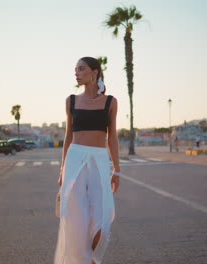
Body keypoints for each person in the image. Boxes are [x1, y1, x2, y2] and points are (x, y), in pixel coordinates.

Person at [54, 57, 120, 264]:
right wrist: (62, 169)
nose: (77, 73)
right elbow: (68, 136)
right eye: (75, 69)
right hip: (75, 160)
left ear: (95, 72)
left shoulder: (110, 101)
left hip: (100, 160)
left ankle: (93, 258)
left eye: (81, 69)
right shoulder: (71, 101)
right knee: (75, 220)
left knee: (103, 220)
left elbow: (112, 137)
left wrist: (116, 170)